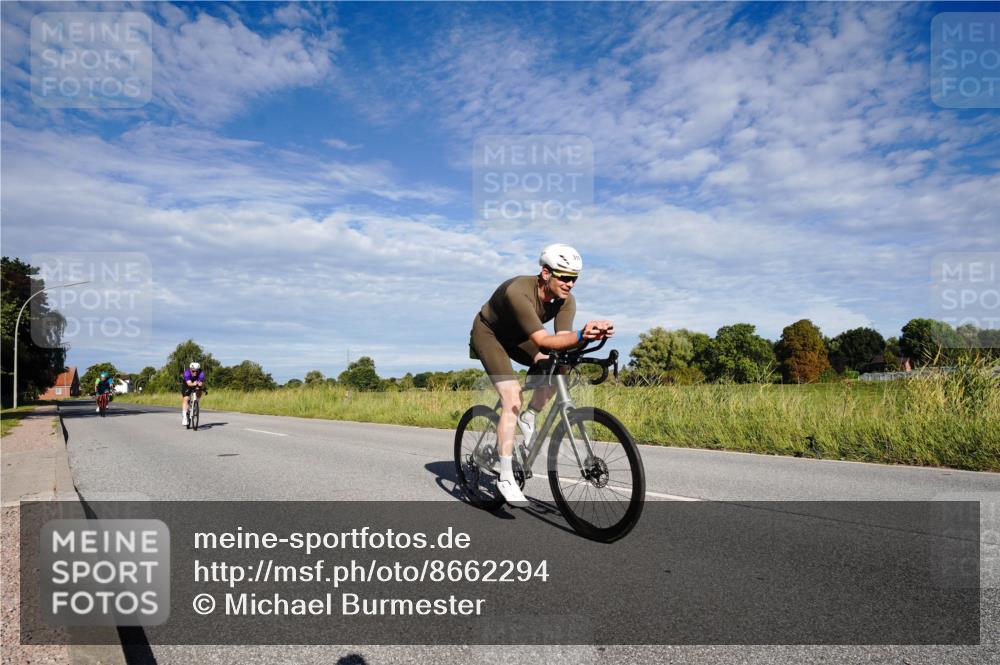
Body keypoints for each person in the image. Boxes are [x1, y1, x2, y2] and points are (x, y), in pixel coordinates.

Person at [469, 244, 614, 506]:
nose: (570, 284)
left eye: (575, 278)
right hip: (489, 333)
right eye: (565, 277)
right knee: (512, 395)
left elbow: (561, 340)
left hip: (520, 337)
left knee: (559, 366)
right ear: (546, 273)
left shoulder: (566, 300)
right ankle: (504, 476)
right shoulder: (518, 292)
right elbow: (543, 340)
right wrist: (582, 334)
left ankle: (529, 416)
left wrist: (589, 336)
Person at [181, 362, 206, 426]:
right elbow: (189, 383)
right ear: (190, 370)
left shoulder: (201, 373)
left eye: (196, 371)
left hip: (196, 383)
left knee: (200, 390)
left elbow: (202, 383)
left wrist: (201, 384)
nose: (195, 372)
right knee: (186, 398)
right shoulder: (187, 373)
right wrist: (194, 384)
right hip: (187, 384)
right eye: (193, 371)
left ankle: (196, 403)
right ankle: (184, 417)